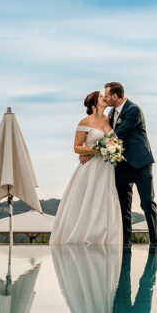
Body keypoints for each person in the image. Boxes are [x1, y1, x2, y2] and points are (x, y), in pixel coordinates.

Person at [49, 90, 122, 244]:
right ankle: (84, 237)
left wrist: (111, 149)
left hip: (107, 168)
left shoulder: (110, 120)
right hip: (90, 168)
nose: (105, 98)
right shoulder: (84, 122)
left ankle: (106, 238)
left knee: (104, 200)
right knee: (89, 199)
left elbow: (115, 142)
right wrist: (96, 150)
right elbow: (77, 147)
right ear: (94, 103)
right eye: (102, 97)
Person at [103, 81, 157, 246]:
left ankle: (156, 242)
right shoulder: (110, 114)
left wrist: (93, 149)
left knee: (148, 203)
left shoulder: (133, 110)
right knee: (123, 207)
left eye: (107, 96)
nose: (105, 99)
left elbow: (119, 134)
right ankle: (125, 243)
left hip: (140, 164)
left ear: (115, 96)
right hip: (121, 166)